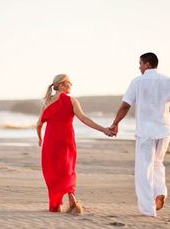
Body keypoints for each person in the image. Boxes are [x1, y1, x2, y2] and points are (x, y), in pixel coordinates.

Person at [110, 52, 170, 217]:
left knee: (144, 168)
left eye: (140, 63)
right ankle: (160, 192)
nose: (139, 67)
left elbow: (125, 106)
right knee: (158, 163)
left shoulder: (137, 82)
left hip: (145, 131)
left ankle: (148, 210)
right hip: (164, 130)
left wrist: (115, 123)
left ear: (147, 64)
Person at [37, 74, 114, 214]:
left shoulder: (47, 103)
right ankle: (71, 195)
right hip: (66, 140)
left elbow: (39, 124)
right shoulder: (71, 101)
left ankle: (56, 205)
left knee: (53, 172)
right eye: (69, 83)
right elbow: (84, 119)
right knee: (67, 169)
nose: (71, 85)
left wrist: (40, 139)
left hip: (50, 143)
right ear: (61, 85)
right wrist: (103, 130)